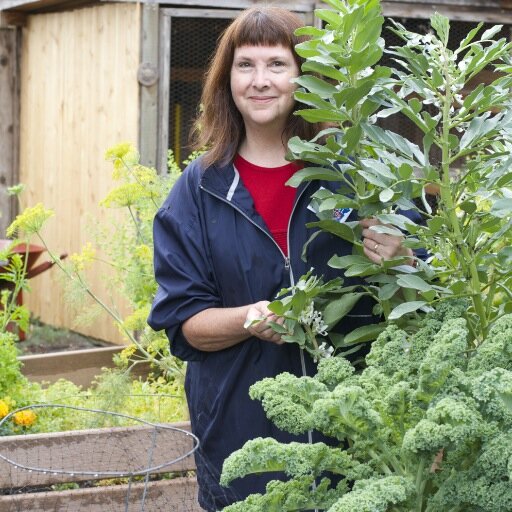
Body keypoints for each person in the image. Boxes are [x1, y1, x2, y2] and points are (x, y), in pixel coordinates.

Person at [147, 6, 414, 511]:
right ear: (227, 81)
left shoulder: (355, 179)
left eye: (276, 64)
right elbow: (183, 322)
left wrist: (402, 259)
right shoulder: (199, 190)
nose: (259, 81)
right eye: (245, 65)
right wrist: (251, 317)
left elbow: (419, 302)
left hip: (355, 429)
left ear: (305, 79)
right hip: (241, 431)